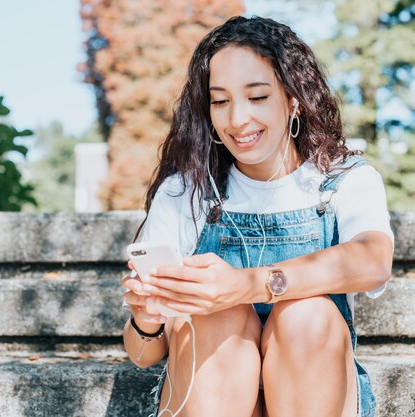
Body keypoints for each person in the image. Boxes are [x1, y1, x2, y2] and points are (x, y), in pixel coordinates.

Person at [120, 15, 394, 417]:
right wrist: (146, 319)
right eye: (220, 100)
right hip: (211, 391)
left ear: (293, 98)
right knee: (217, 316)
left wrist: (245, 284)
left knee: (308, 313)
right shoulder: (185, 192)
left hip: (312, 385)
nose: (237, 119)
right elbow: (144, 355)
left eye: (258, 96)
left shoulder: (343, 180)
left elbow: (373, 261)